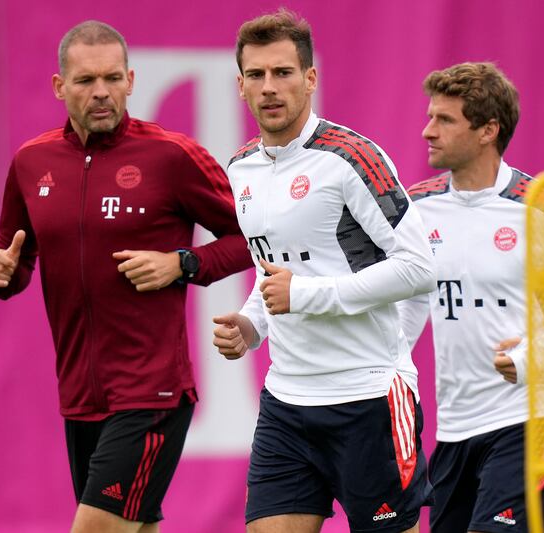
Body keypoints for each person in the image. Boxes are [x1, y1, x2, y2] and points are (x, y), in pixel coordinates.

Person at [0, 20, 252, 533]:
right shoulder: (31, 163)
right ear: (61, 87)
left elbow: (251, 239)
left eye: (111, 78)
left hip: (153, 393)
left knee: (95, 528)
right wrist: (2, 274)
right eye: (85, 81)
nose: (100, 92)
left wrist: (183, 263)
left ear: (130, 80)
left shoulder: (171, 156)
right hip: (79, 396)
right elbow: (13, 259)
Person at [211, 9, 436, 533]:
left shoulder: (352, 157)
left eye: (284, 73)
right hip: (286, 402)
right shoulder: (240, 167)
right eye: (257, 75)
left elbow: (419, 268)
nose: (270, 88)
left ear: (310, 79)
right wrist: (252, 325)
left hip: (370, 399)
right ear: (240, 85)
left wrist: (307, 296)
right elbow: (277, 271)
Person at [398, 62, 544, 532]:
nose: (428, 131)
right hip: (454, 428)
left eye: (445, 120)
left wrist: (538, 352)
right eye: (430, 117)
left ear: (489, 130)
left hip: (535, 418)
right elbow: (407, 306)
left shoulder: (542, 205)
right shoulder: (418, 206)